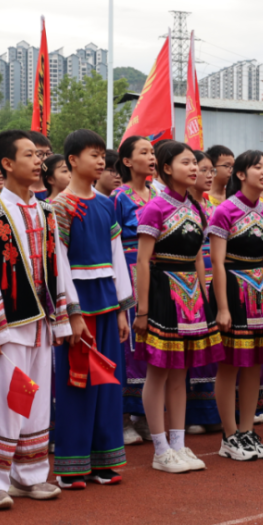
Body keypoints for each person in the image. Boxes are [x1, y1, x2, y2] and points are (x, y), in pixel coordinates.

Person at [0, 131, 80, 509]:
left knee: (34, 398)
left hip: (42, 323)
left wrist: (66, 318)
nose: (39, 161)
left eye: (39, 155)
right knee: (3, 400)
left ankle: (29, 475)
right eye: (29, 155)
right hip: (9, 323)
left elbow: (59, 266)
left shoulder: (47, 211)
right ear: (7, 163)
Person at [133, 141, 224, 472]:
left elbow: (198, 256)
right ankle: (160, 449)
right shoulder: (156, 207)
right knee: (158, 373)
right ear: (167, 168)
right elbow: (143, 262)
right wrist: (142, 310)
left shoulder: (198, 207)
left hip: (192, 298)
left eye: (196, 164)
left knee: (181, 372)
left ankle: (179, 444)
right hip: (162, 293)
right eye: (187, 163)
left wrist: (204, 295)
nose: (195, 169)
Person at [52, 129, 133, 488]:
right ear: (72, 161)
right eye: (94, 155)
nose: (102, 161)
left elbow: (117, 258)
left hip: (106, 305)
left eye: (103, 155)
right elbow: (60, 265)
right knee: (78, 384)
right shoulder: (60, 207)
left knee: (108, 386)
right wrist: (72, 313)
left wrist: (120, 309)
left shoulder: (106, 203)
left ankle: (104, 461)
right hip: (80, 309)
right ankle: (71, 467)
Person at [208, 150, 263, 461]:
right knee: (230, 366)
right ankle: (229, 435)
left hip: (262, 295)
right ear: (241, 174)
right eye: (258, 167)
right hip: (233, 290)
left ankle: (247, 430)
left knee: (255, 365)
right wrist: (223, 308)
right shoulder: (224, 211)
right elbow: (216, 263)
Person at [114, 136, 158, 443]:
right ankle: (124, 417)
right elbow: (112, 244)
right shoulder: (118, 197)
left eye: (153, 152)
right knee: (130, 344)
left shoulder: (158, 193)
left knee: (152, 342)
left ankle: (144, 415)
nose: (151, 157)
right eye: (144, 152)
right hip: (129, 272)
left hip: (157, 274)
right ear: (128, 161)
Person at [184, 149, 220, 433]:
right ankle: (193, 414)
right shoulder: (179, 206)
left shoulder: (209, 206)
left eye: (210, 170)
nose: (207, 175)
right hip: (188, 279)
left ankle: (209, 413)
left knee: (208, 343)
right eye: (201, 168)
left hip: (210, 274)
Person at [28, 131, 52, 201]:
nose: (45, 158)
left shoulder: (58, 188)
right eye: (39, 154)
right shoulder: (19, 193)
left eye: (48, 153)